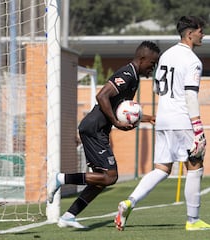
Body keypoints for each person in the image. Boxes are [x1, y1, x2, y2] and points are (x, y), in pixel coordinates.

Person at [114, 16, 210, 231]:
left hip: (163, 118)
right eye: (201, 31)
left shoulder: (166, 56)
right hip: (182, 119)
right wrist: (198, 128)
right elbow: (190, 96)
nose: (203, 35)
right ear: (190, 34)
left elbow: (156, 89)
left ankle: (129, 202)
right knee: (195, 166)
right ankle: (193, 220)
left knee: (162, 169)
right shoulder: (192, 61)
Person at [47, 41, 160, 228]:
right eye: (152, 63)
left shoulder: (134, 77)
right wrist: (115, 123)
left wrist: (147, 118)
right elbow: (101, 96)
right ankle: (60, 179)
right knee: (110, 176)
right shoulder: (127, 74)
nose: (153, 68)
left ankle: (68, 216)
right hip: (94, 129)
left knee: (99, 181)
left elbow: (119, 108)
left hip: (96, 130)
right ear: (142, 59)